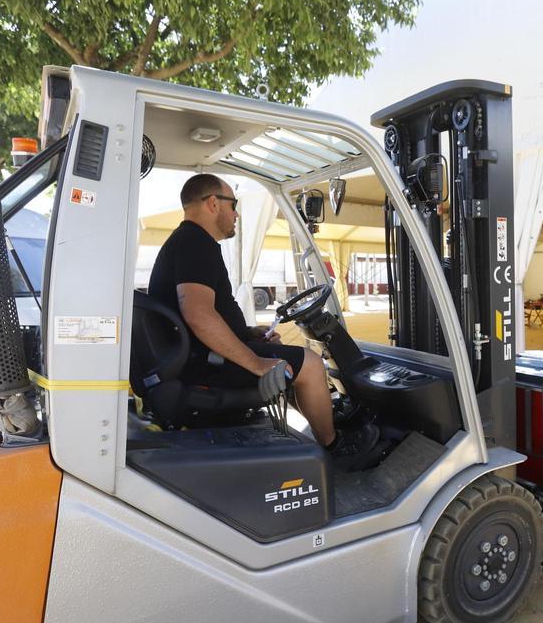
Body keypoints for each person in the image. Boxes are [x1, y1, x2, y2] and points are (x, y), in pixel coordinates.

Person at [148, 173, 378, 465]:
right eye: (233, 205)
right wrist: (257, 363)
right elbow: (198, 315)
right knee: (309, 364)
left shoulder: (187, 241)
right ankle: (335, 448)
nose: (236, 214)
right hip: (203, 364)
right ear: (213, 204)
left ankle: (325, 421)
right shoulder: (196, 243)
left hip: (195, 357)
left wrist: (246, 333)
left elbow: (200, 314)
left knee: (288, 359)